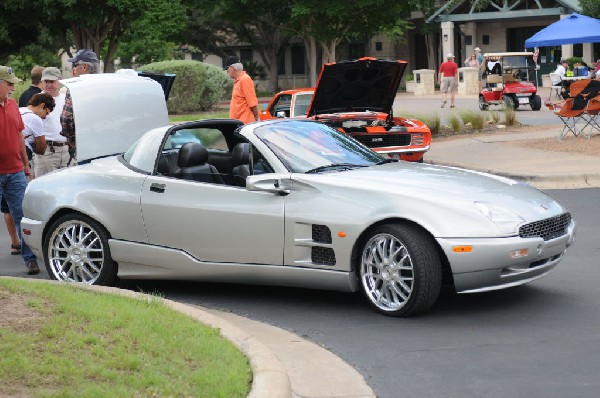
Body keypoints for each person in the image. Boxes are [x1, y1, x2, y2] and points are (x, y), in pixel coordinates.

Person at [0, 65, 39, 274]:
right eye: (9, 83)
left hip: (15, 170)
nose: (13, 86)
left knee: (22, 215)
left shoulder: (13, 104)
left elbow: (19, 136)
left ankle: (30, 258)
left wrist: (25, 164)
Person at [61, 49, 100, 163]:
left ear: (84, 67)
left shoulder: (76, 87)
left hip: (83, 148)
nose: (73, 68)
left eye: (75, 64)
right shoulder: (106, 85)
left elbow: (66, 119)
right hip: (107, 149)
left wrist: (72, 143)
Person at [35, 67, 68, 177]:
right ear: (42, 82)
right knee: (44, 188)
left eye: (52, 81)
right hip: (47, 152)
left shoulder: (66, 99)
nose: (49, 84)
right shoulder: (36, 100)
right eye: (46, 81)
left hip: (67, 150)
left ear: (59, 81)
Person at [225, 55, 259, 124]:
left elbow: (252, 103)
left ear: (232, 68)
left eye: (227, 69)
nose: (227, 72)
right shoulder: (238, 80)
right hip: (237, 123)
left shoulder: (245, 80)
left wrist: (256, 119)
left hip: (244, 124)